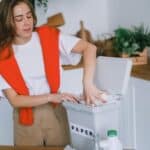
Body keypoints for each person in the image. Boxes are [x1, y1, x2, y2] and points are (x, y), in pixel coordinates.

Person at [0, 0, 105, 146]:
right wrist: (51, 96)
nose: (26, 22)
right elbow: (15, 100)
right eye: (19, 18)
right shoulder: (3, 56)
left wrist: (87, 83)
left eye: (29, 16)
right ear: (7, 22)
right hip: (25, 121)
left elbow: (89, 48)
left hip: (55, 113)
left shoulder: (49, 36)